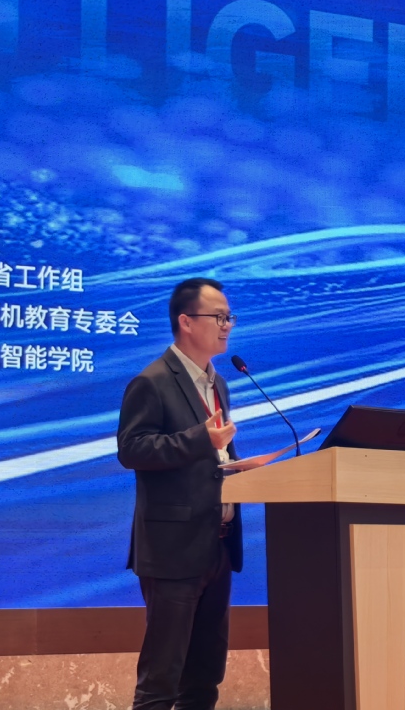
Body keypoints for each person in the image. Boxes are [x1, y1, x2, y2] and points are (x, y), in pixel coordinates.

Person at [117, 277, 243, 710]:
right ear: (186, 321)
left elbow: (214, 455)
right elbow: (132, 450)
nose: (227, 325)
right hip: (173, 549)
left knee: (204, 676)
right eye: (219, 317)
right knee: (162, 679)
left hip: (217, 544)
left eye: (229, 317)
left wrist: (238, 466)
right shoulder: (152, 381)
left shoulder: (218, 384)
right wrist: (199, 440)